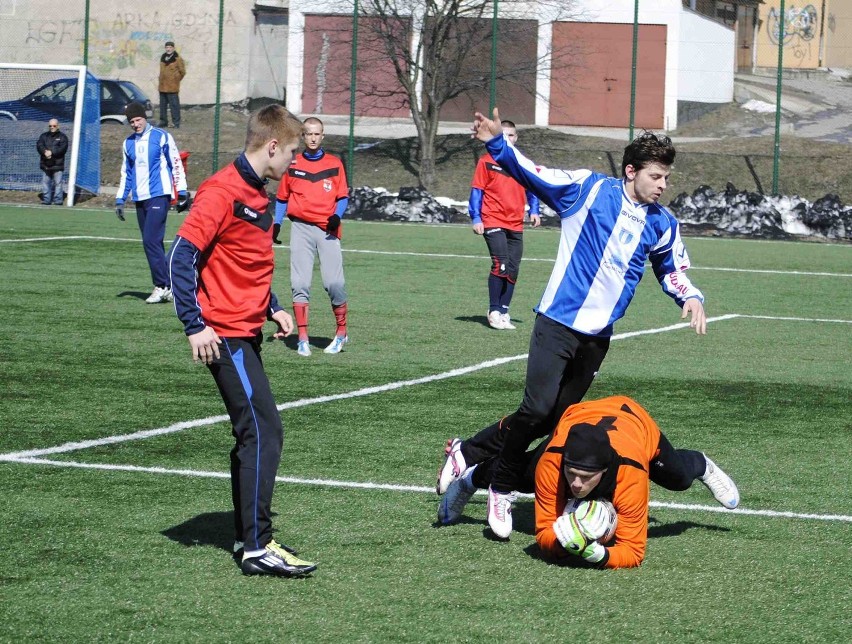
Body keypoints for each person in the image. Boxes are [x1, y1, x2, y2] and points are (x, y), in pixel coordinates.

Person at [437, 107, 708, 539]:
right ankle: (500, 487)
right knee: (537, 409)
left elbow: (670, 268)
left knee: (554, 419)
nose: (663, 185)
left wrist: (689, 295)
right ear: (631, 170)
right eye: (656, 176)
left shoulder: (663, 222)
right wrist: (495, 143)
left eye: (667, 178)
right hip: (557, 323)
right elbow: (531, 173)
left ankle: (468, 453)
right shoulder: (587, 189)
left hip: (596, 339)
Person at [166, 104, 318, 578]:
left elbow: (241, 259)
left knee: (252, 432)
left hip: (246, 330)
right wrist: (194, 324)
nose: (294, 160)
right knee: (264, 431)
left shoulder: (259, 193)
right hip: (223, 336)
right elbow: (181, 258)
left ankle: (247, 535)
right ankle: (257, 545)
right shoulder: (220, 192)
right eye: (292, 152)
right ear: (272, 146)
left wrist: (271, 305)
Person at [438, 395, 740, 568]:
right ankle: (471, 478)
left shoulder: (631, 475)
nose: (577, 484)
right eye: (572, 475)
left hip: (632, 420)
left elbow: (634, 551)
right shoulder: (554, 463)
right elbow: (543, 533)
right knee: (522, 477)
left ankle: (702, 464)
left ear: (605, 472)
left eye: (586, 478)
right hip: (576, 422)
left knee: (679, 479)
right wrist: (561, 542)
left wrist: (599, 555)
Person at [273, 116, 350, 357]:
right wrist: (276, 224)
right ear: (303, 136)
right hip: (301, 229)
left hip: (328, 230)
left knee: (334, 284)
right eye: (308, 133)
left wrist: (337, 216)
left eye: (317, 134)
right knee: (300, 284)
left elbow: (343, 196)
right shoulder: (293, 164)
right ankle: (303, 338)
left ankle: (341, 332)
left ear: (323, 136)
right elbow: (282, 198)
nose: (313, 138)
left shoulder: (335, 163)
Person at [469, 119, 541, 330]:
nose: (508, 139)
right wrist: (476, 217)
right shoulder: (486, 161)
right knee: (500, 263)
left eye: (511, 135)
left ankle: (504, 311)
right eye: (504, 135)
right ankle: (493, 310)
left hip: (515, 222)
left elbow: (533, 189)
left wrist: (534, 210)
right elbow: (477, 191)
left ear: (516, 138)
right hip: (492, 219)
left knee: (513, 268)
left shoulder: (521, 162)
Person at [115, 101, 189, 304]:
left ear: (145, 118)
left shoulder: (161, 136)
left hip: (159, 195)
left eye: (138, 120)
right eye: (132, 121)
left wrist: (182, 191)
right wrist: (120, 199)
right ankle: (171, 285)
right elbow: (126, 173)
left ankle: (162, 286)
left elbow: (175, 163)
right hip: (140, 198)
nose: (135, 124)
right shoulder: (128, 143)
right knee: (150, 243)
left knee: (151, 240)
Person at [36, 118, 68, 205]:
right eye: (50, 126)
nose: (52, 127)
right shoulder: (43, 136)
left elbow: (63, 149)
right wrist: (44, 152)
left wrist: (52, 152)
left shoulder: (63, 137)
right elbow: (39, 145)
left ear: (58, 126)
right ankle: (46, 200)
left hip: (58, 164)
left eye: (54, 125)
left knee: (58, 183)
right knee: (46, 182)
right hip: (46, 164)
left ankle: (58, 200)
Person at [158, 41, 186, 129]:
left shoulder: (177, 58)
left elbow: (183, 72)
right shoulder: (163, 57)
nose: (168, 49)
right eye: (167, 47)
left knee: (174, 106)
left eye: (170, 47)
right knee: (162, 106)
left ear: (173, 48)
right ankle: (163, 121)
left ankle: (176, 122)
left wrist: (176, 79)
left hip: (172, 87)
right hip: (162, 86)